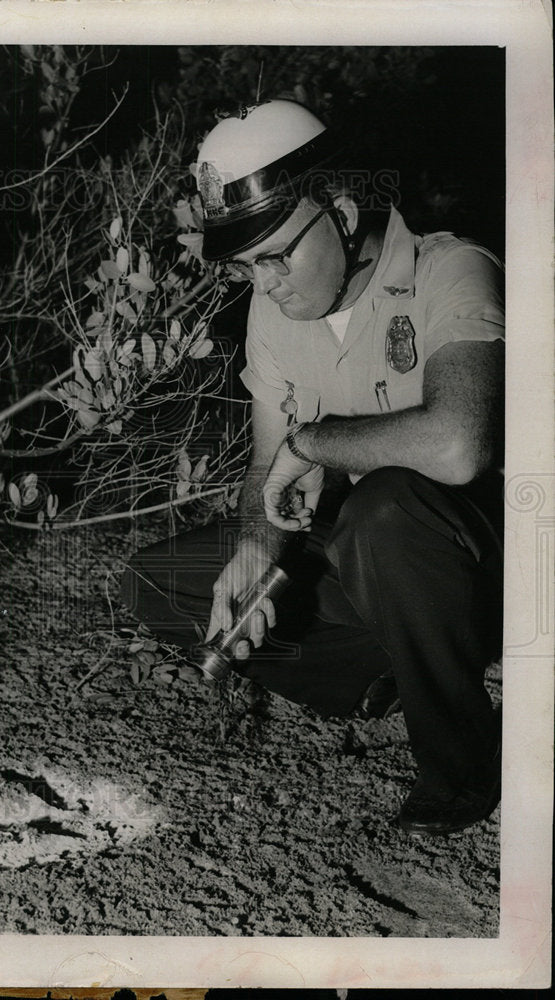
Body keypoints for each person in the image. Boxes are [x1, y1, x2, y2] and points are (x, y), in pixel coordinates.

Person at [120, 99, 505, 837]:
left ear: (340, 207)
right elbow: (268, 463)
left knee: (385, 507)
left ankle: (460, 768)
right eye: (244, 265)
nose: (263, 285)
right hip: (382, 568)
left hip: (485, 565)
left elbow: (459, 446)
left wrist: (315, 445)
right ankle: (387, 669)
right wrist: (253, 555)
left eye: (275, 254)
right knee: (158, 579)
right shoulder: (276, 315)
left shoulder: (450, 269)